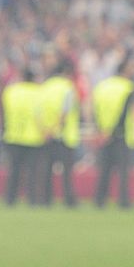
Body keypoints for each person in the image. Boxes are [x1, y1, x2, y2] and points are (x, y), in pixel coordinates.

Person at [93, 58, 134, 207]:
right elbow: (126, 111)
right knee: (123, 171)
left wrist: (101, 130)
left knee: (105, 169)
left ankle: (100, 200)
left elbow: (95, 109)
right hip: (121, 134)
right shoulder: (129, 87)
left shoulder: (102, 87)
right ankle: (123, 201)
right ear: (125, 70)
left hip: (103, 134)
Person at [40, 60, 80, 206]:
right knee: (66, 172)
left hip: (47, 135)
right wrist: (56, 129)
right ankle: (69, 200)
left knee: (47, 169)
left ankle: (46, 199)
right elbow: (65, 111)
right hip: (65, 136)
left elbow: (38, 110)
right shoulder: (68, 87)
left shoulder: (45, 87)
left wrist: (46, 130)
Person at [1, 68, 45, 205]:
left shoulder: (10, 91)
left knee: (14, 171)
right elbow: (39, 115)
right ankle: (32, 200)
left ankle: (10, 199)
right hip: (33, 138)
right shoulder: (38, 92)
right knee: (32, 172)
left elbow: (4, 111)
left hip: (13, 136)